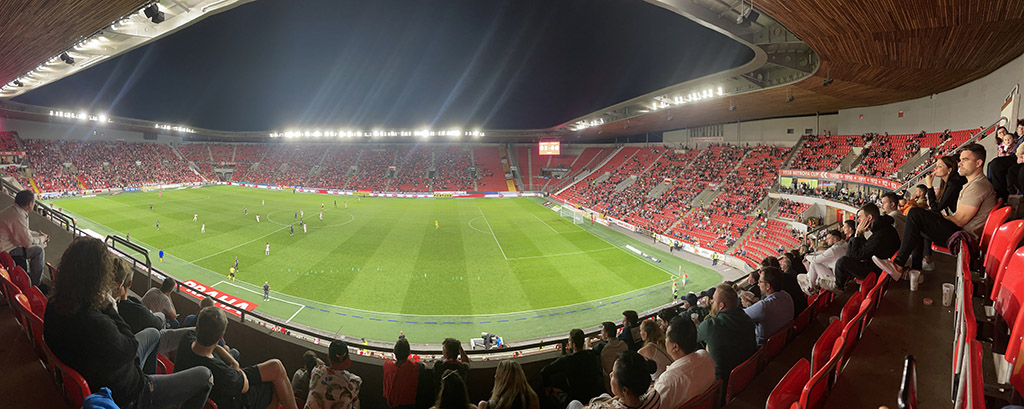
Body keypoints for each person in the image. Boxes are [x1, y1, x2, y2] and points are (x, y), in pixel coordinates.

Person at [43, 237, 213, 409]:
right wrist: (109, 305)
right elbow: (131, 346)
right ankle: (149, 393)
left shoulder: (54, 304)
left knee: (153, 334)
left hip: (98, 372)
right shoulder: (96, 323)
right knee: (206, 376)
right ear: (99, 279)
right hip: (128, 394)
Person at [876, 143, 998, 280]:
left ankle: (898, 266)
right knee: (918, 221)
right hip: (961, 232)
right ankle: (917, 271)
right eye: (960, 159)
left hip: (963, 238)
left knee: (915, 214)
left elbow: (959, 220)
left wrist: (936, 217)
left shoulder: (978, 186)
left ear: (978, 163)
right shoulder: (973, 184)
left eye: (965, 160)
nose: (960, 163)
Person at [175, 307, 300, 409]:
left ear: (197, 327)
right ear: (220, 337)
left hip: (210, 389)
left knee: (276, 366)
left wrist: (218, 349)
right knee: (272, 387)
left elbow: (215, 350)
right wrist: (234, 363)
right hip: (234, 395)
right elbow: (243, 385)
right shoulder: (223, 373)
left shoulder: (187, 337)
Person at [696, 283, 757, 384]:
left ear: (721, 306)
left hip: (722, 387)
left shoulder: (711, 325)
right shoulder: (747, 319)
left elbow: (691, 336)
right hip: (746, 376)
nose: (711, 302)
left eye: (714, 300)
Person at [833, 203, 900, 291]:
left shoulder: (879, 236)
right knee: (850, 248)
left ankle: (839, 287)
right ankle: (842, 282)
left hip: (876, 271)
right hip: (879, 264)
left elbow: (854, 256)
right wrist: (858, 236)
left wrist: (857, 235)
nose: (859, 220)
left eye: (860, 217)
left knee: (841, 262)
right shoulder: (885, 228)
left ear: (869, 218)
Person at [653, 316, 715, 409]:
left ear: (675, 347)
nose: (665, 340)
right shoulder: (705, 356)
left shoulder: (668, 382)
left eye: (666, 337)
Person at [569, 351, 660, 409]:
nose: (610, 374)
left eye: (614, 374)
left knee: (574, 404)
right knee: (604, 395)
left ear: (625, 390)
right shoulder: (655, 397)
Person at [540, 329, 605, 406]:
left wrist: (550, 389)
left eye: (569, 341)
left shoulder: (567, 360)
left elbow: (544, 371)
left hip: (576, 399)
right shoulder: (591, 355)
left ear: (573, 344)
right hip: (594, 396)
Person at [0, 189, 49, 288]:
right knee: (38, 250)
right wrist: (41, 239)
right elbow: (27, 242)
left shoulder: (15, 210)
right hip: (5, 250)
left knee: (37, 245)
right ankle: (36, 285)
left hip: (6, 246)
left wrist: (40, 236)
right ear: (30, 204)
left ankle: (32, 280)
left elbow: (25, 232)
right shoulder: (18, 215)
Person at [743, 267, 794, 347]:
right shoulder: (787, 296)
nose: (758, 284)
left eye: (760, 282)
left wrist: (747, 304)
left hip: (762, 351)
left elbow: (740, 316)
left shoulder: (763, 306)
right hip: (781, 344)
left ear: (768, 286)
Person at [306, 340, 362, 409]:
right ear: (347, 358)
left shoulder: (316, 372)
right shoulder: (354, 382)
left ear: (328, 358)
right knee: (356, 400)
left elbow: (321, 366)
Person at [800, 230, 847, 294]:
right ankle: (812, 286)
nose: (826, 241)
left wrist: (807, 256)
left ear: (835, 239)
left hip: (836, 280)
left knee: (814, 263)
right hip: (843, 277)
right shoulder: (844, 244)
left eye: (828, 239)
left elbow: (815, 259)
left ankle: (811, 287)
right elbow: (824, 253)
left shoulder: (834, 250)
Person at [383, 337, 423, 409]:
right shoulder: (415, 366)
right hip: (407, 404)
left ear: (394, 352)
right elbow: (423, 366)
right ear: (409, 353)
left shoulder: (387, 364)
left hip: (389, 403)